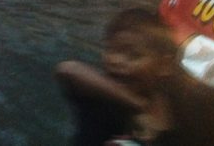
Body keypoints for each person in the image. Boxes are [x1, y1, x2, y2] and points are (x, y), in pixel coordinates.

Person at [55, 8, 181, 146]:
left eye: (134, 55)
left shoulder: (172, 103)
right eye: (110, 49)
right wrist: (140, 105)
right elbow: (67, 69)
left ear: (164, 65)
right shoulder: (99, 94)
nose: (115, 60)